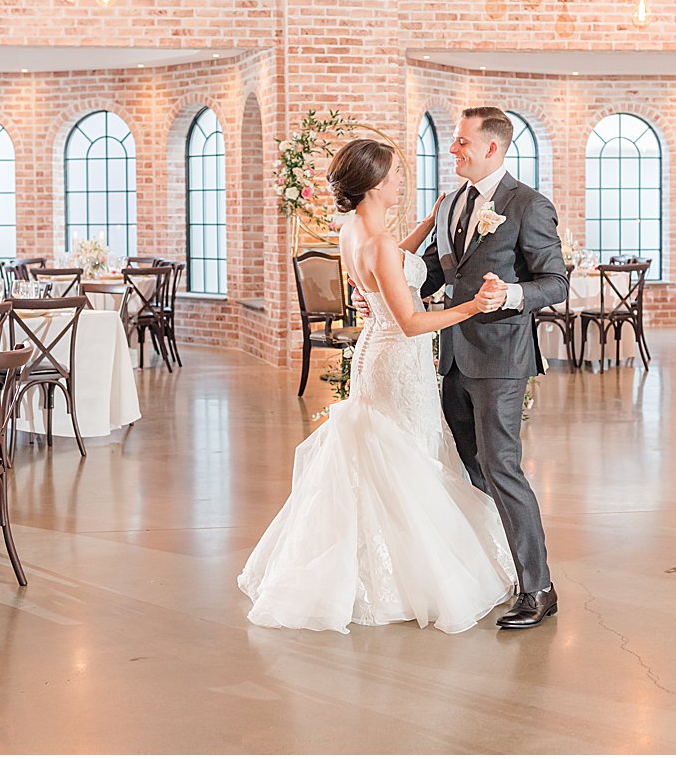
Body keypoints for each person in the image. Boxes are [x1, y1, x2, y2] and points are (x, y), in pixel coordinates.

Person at [238, 138, 517, 633]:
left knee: (386, 456)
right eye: (392, 176)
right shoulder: (378, 242)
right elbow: (410, 321)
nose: (399, 182)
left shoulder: (354, 233)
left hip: (374, 351)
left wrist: (426, 225)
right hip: (399, 357)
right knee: (407, 457)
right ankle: (414, 577)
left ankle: (376, 563)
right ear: (371, 185)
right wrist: (473, 307)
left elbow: (389, 266)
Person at [416, 106, 568, 629]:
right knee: (468, 466)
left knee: (501, 465)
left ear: (491, 149)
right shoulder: (450, 205)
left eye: (461, 142)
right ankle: (493, 565)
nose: (452, 150)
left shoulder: (528, 205)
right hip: (454, 354)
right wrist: (386, 294)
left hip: (502, 358)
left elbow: (556, 282)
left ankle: (538, 587)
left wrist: (512, 294)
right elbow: (435, 274)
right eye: (454, 142)